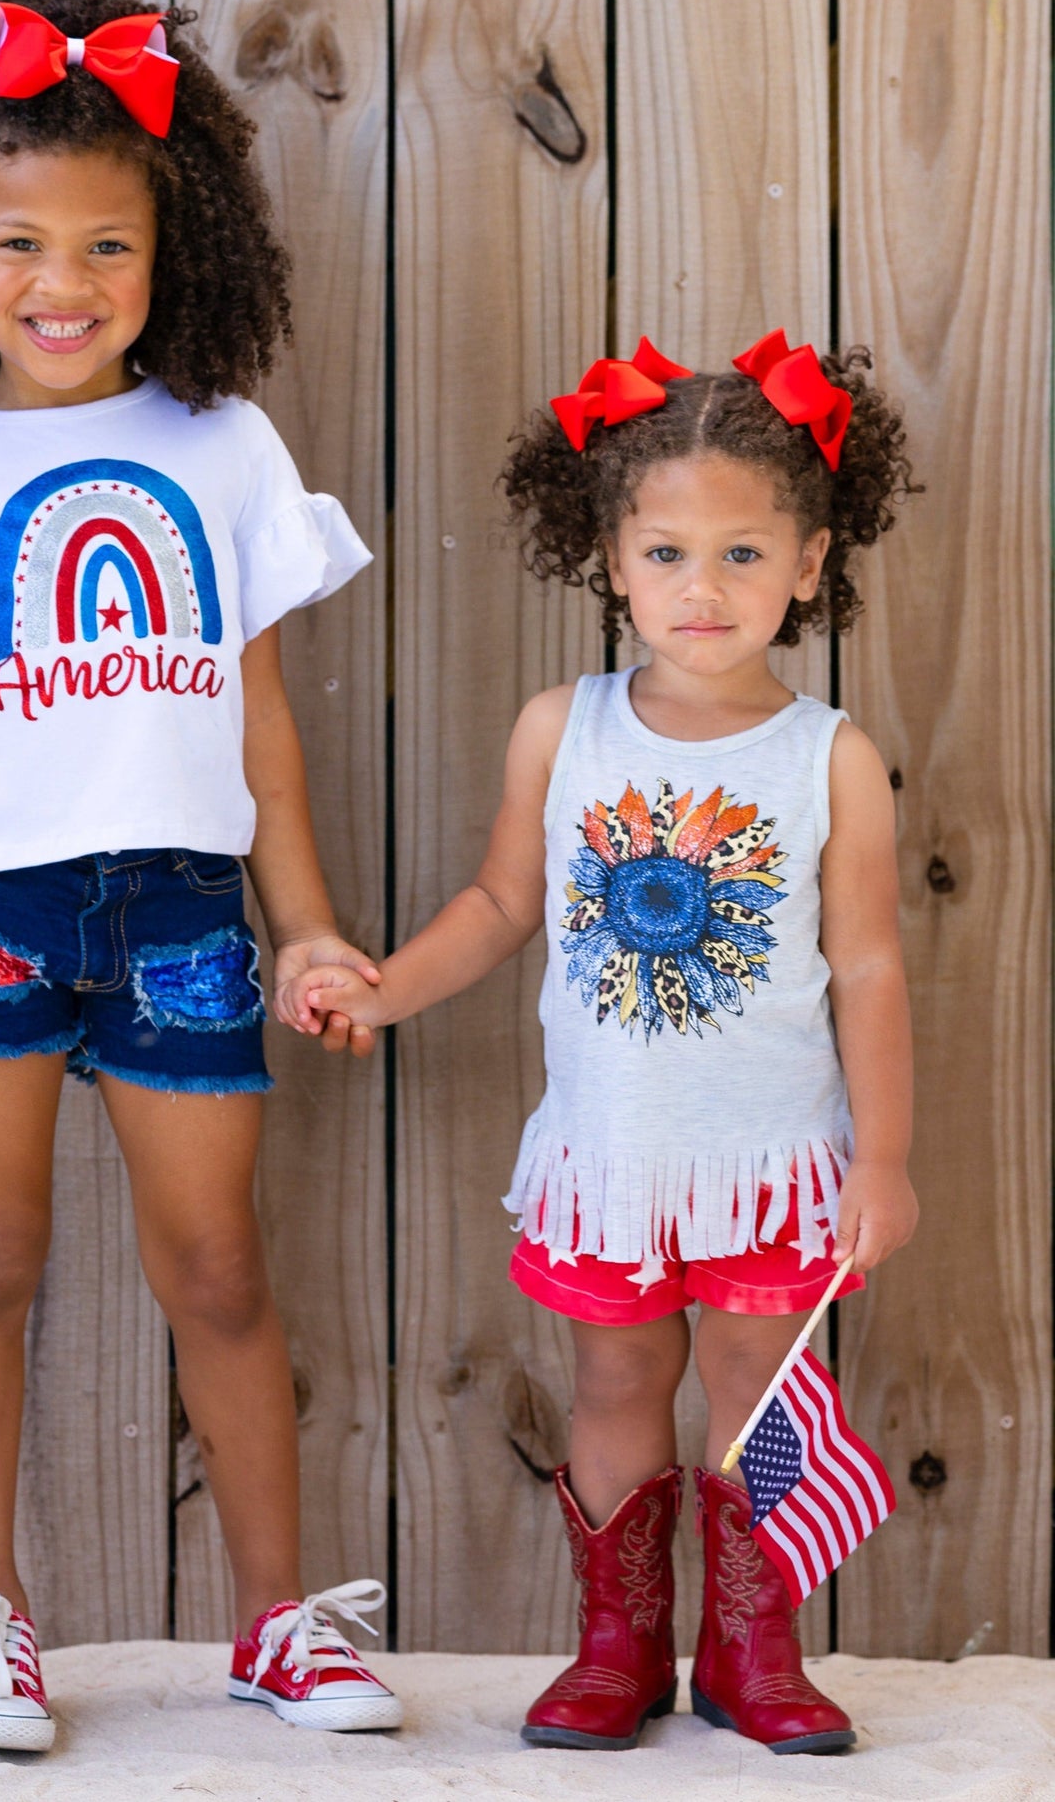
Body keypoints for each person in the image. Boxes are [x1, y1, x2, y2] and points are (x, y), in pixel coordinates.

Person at [0, 0, 401, 1754]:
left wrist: (305, 925)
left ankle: (277, 1624)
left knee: (216, 1268)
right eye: (22, 247)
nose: (64, 288)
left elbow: (259, 723)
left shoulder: (222, 446)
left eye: (109, 250)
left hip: (186, 911)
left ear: (175, 254)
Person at [283, 332, 921, 1756]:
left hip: (772, 1166)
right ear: (612, 560)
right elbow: (506, 902)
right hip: (612, 1160)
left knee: (758, 1399)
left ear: (814, 563)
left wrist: (884, 1159)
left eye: (746, 555)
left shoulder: (829, 757)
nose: (706, 590)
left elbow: (870, 967)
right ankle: (618, 1646)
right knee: (618, 1387)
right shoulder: (559, 730)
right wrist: (385, 988)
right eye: (670, 553)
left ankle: (753, 1654)